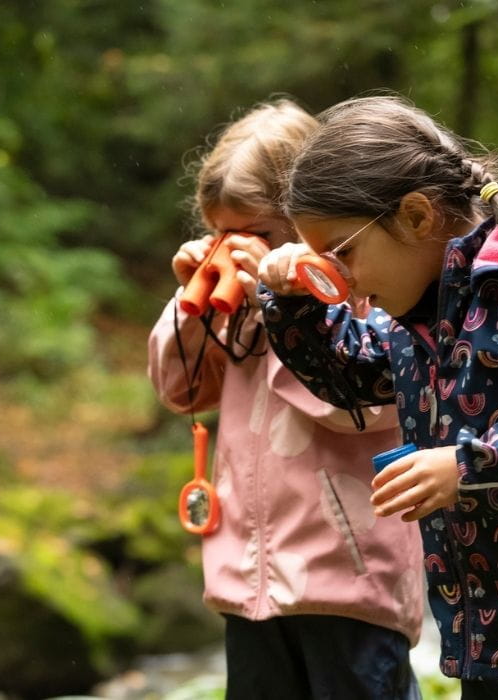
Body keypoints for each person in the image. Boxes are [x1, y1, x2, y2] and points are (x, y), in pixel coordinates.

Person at [257, 94, 498, 699]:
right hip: (488, 644)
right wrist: (294, 301)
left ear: (416, 217)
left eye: (341, 253)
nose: (343, 279)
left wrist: (468, 469)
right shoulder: (421, 318)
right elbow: (348, 376)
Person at [147, 99, 425, 700]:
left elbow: (354, 406)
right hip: (248, 580)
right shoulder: (235, 308)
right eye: (222, 233)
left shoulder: (361, 292)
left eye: (259, 235)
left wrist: (286, 309)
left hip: (350, 580)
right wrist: (190, 306)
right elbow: (180, 389)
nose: (238, 249)